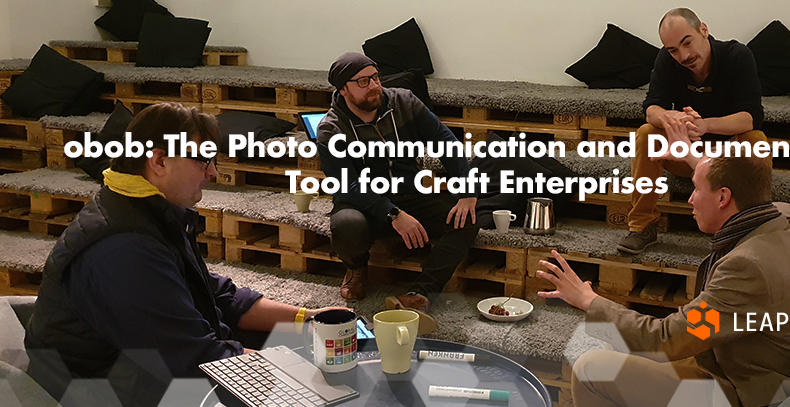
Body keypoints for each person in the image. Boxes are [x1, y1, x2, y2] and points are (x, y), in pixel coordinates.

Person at [25, 103, 344, 407]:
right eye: (203, 159)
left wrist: (307, 319)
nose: (214, 172)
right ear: (159, 161)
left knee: (301, 344)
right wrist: (303, 378)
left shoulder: (147, 210)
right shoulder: (123, 250)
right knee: (310, 381)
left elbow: (216, 295)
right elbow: (197, 360)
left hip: (143, 365)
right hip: (104, 391)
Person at [537, 118, 790, 407]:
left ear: (723, 198)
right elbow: (732, 180)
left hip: (744, 392)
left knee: (592, 368)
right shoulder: (788, 217)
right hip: (761, 367)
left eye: (696, 188)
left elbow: (663, 341)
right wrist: (694, 157)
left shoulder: (747, 268)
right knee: (621, 345)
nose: (690, 199)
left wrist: (589, 300)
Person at [317, 52, 479, 335]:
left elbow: (446, 142)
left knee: (464, 218)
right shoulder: (331, 129)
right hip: (362, 201)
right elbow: (346, 185)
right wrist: (393, 214)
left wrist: (466, 189)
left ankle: (420, 294)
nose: (374, 86)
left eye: (376, 77)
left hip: (409, 194)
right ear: (343, 89)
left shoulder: (404, 102)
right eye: (363, 81)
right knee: (346, 225)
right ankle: (355, 269)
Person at [621, 7, 769, 254]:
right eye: (673, 50)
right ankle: (641, 227)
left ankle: (748, 230)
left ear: (704, 30)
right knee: (647, 132)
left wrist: (705, 124)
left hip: (726, 158)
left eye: (686, 42)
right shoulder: (666, 60)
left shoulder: (738, 55)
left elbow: (750, 117)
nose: (684, 55)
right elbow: (650, 109)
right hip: (682, 153)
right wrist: (671, 118)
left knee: (756, 140)